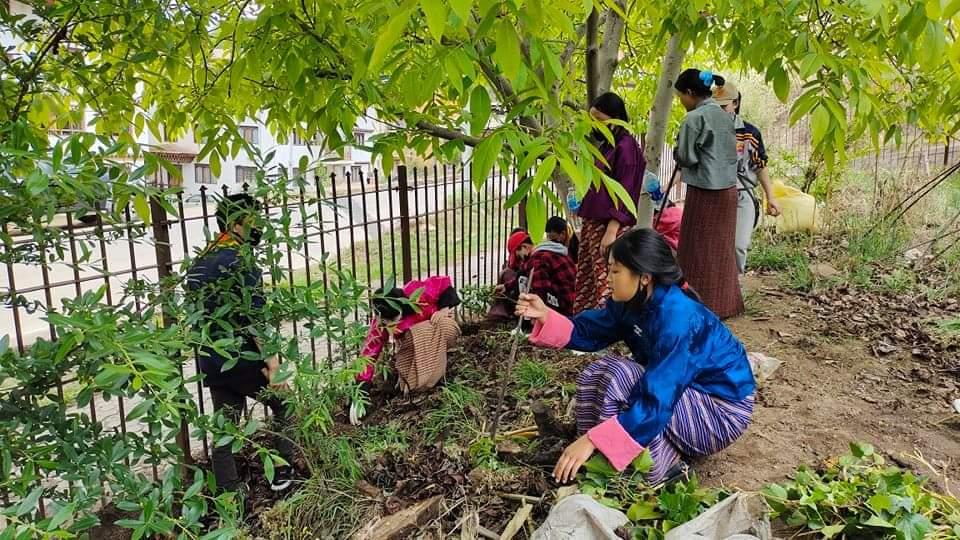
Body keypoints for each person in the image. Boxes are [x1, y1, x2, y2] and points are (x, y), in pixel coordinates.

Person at [515, 228, 756, 484]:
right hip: (685, 398)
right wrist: (545, 315)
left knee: (622, 375)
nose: (608, 278)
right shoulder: (631, 303)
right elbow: (590, 331)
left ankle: (649, 469)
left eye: (615, 271)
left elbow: (658, 400)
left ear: (644, 277)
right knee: (599, 371)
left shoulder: (679, 320)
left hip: (719, 414)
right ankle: (592, 460)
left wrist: (594, 440)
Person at [186, 193, 294, 493]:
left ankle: (230, 495)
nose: (259, 228)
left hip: (213, 359)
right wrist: (274, 366)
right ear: (235, 224)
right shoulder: (242, 262)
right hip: (243, 358)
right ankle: (282, 472)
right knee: (286, 405)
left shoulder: (200, 261)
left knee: (226, 428)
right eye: (254, 222)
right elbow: (254, 319)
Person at [672, 68, 743, 319]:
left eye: (680, 96)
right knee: (721, 249)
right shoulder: (725, 115)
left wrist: (677, 151)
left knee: (696, 249)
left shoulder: (694, 118)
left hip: (705, 191)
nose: (680, 101)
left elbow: (687, 157)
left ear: (690, 92)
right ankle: (725, 304)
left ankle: (698, 306)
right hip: (728, 191)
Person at [352, 275, 461, 422]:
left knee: (443, 327)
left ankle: (433, 376)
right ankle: (417, 384)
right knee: (413, 381)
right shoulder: (381, 321)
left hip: (436, 331)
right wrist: (361, 390)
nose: (389, 325)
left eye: (393, 320)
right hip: (410, 346)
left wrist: (444, 309)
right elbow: (370, 352)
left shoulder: (417, 292)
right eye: (385, 322)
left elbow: (443, 283)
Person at [575, 92, 645, 313]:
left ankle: (609, 322)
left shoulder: (626, 147)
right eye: (592, 120)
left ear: (615, 117)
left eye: (599, 119)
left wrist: (612, 229)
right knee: (589, 278)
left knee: (607, 278)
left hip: (608, 225)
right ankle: (588, 323)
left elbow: (626, 189)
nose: (595, 125)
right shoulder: (609, 144)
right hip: (594, 222)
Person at [711, 80, 782, 273]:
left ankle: (734, 284)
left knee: (738, 245)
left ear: (735, 103)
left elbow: (760, 166)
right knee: (715, 247)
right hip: (714, 195)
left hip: (742, 195)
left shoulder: (750, 133)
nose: (719, 112)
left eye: (723, 107)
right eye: (715, 107)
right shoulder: (707, 130)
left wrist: (771, 197)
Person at [527, 217, 578, 315]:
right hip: (564, 309)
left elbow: (539, 287)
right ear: (563, 234)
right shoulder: (558, 255)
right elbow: (540, 289)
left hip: (560, 309)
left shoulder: (542, 255)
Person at [487, 230, 534, 321]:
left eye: (518, 254)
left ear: (524, 246)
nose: (520, 259)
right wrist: (506, 286)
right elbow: (520, 278)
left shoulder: (537, 260)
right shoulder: (527, 263)